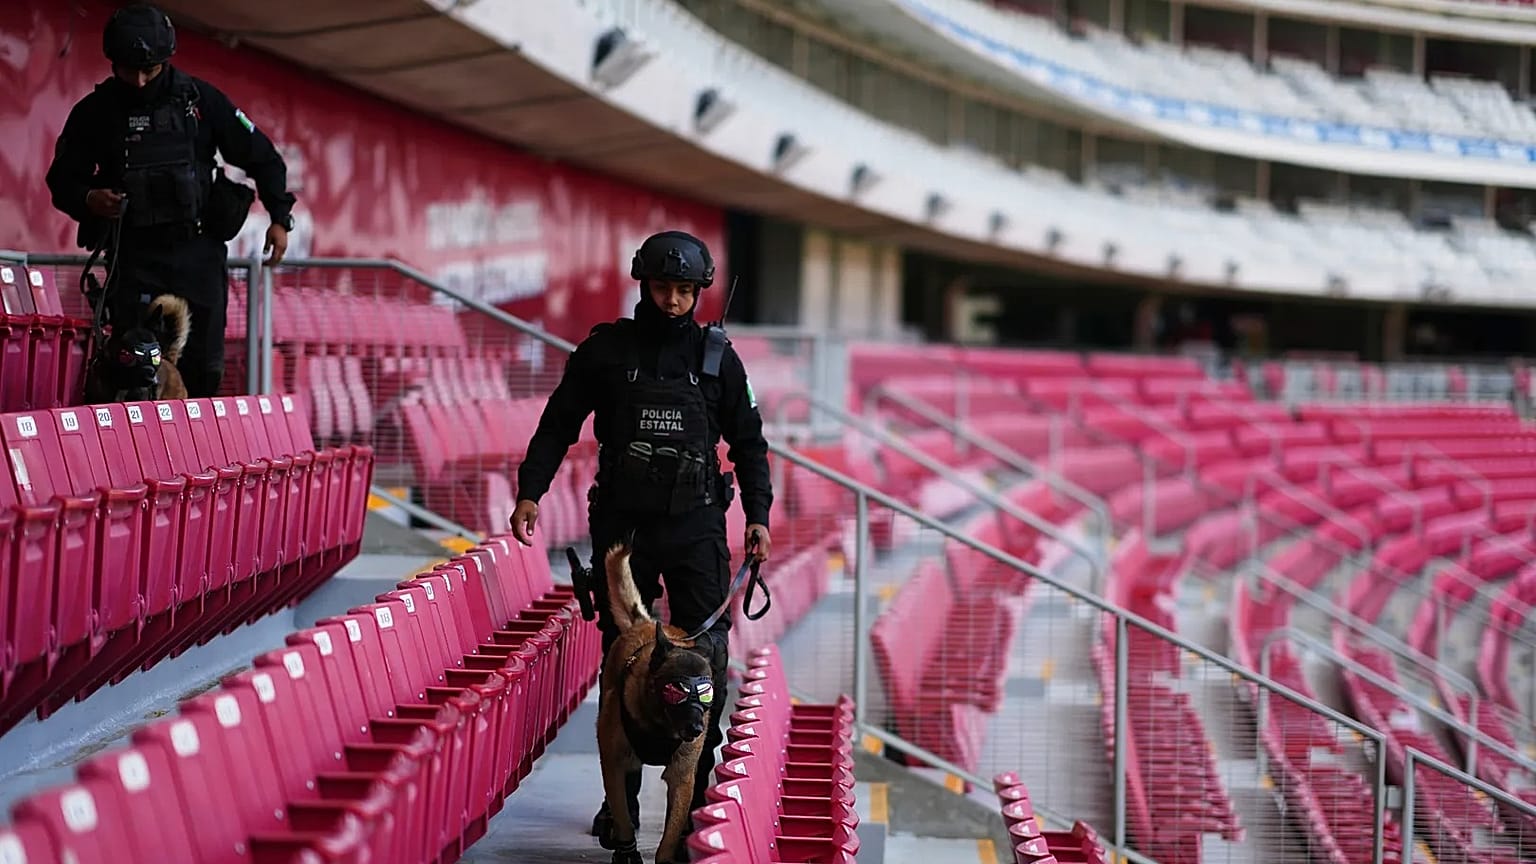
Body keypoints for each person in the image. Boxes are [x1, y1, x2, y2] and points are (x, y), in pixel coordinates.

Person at [509, 230, 773, 848]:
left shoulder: (719, 359)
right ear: (643, 285)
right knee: (624, 660)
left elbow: (751, 445)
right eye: (663, 287)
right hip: (624, 529)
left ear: (700, 292)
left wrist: (758, 515)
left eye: (685, 290)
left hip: (696, 528)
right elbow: (557, 425)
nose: (674, 300)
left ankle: (689, 813)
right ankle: (619, 804)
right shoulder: (606, 351)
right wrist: (530, 491)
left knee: (705, 661)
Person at [45, 2, 296, 398]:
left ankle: (195, 458)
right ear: (112, 62)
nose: (141, 81)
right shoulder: (95, 113)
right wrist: (89, 198)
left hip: (198, 256)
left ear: (166, 60)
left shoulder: (199, 102)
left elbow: (262, 156)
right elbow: (61, 180)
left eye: (151, 70)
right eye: (130, 70)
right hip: (133, 259)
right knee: (132, 376)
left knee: (202, 370)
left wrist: (280, 217)